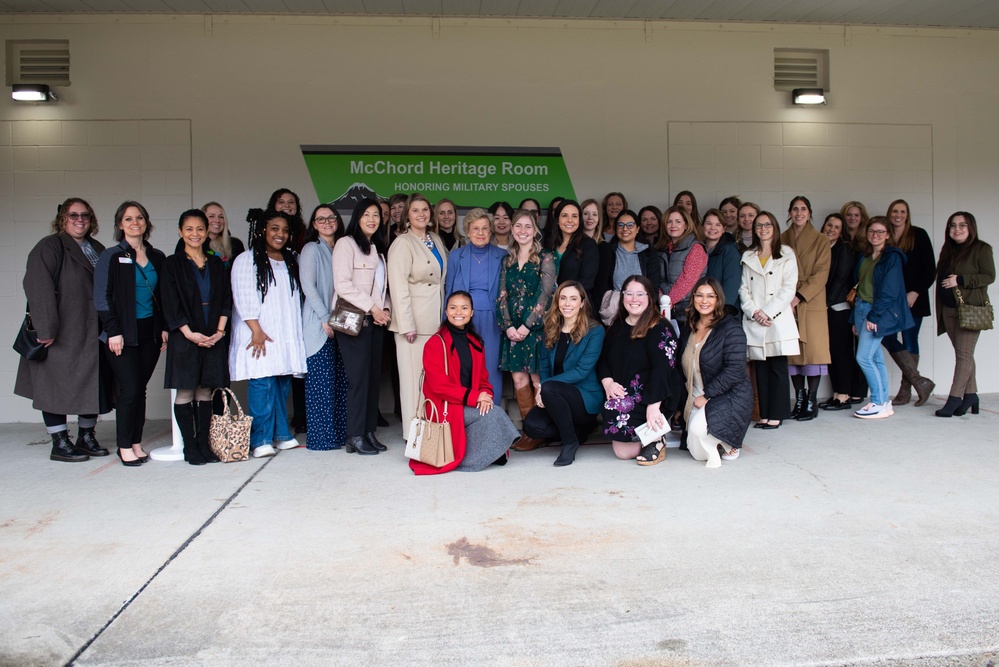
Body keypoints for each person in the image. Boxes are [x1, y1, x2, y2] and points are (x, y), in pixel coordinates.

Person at [15, 197, 113, 463]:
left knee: (92, 383)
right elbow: (37, 286)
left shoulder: (97, 248)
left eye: (85, 215)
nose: (79, 220)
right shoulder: (50, 246)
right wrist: (45, 329)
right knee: (54, 385)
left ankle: (86, 436)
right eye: (73, 215)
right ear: (62, 219)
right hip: (61, 329)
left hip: (93, 329)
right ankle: (59, 441)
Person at [410, 291, 521, 475]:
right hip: (446, 406)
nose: (458, 312)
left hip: (468, 403)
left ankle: (491, 452)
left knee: (490, 410)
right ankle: (474, 457)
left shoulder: (475, 342)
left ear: (471, 312)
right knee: (494, 414)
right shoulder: (435, 344)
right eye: (453, 308)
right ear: (446, 311)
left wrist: (485, 396)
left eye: (464, 308)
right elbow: (439, 387)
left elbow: (484, 379)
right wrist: (476, 397)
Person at [94, 201, 168, 466]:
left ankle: (136, 442)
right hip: (121, 333)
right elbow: (102, 298)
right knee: (130, 388)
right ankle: (124, 446)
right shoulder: (111, 256)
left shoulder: (157, 256)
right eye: (128, 219)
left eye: (139, 218)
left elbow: (162, 295)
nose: (134, 222)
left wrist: (163, 328)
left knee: (141, 390)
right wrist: (112, 331)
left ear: (146, 222)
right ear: (119, 224)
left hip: (150, 331)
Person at [229, 210, 307, 457]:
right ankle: (260, 438)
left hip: (285, 332)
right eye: (274, 228)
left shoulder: (292, 259)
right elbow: (242, 295)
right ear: (263, 230)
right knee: (262, 384)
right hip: (260, 333)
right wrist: (256, 329)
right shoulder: (247, 259)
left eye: (284, 230)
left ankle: (281, 434)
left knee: (282, 385)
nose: (280, 234)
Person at [161, 209, 231, 465]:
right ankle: (189, 447)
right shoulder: (172, 263)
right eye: (189, 229)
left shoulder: (216, 262)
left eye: (200, 229)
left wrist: (219, 333)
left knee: (205, 392)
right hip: (185, 336)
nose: (195, 234)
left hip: (213, 335)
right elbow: (170, 303)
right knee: (186, 391)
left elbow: (226, 300)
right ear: (180, 232)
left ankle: (204, 444)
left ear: (207, 232)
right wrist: (190, 334)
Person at [597, 275, 680, 465]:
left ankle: (658, 438)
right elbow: (603, 360)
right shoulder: (616, 327)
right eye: (629, 294)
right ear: (622, 297)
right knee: (623, 452)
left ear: (650, 297)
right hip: (623, 394)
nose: (634, 299)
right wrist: (608, 382)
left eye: (640, 294)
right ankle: (649, 436)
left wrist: (653, 406)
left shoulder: (660, 327)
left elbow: (663, 370)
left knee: (628, 451)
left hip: (655, 393)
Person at [521, 281, 605, 466]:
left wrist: (544, 387)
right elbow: (543, 364)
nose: (567, 304)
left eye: (573, 299)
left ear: (582, 303)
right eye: (563, 298)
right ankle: (579, 431)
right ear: (557, 301)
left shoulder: (595, 331)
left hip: (583, 396)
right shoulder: (551, 328)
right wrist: (545, 386)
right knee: (532, 426)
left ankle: (570, 442)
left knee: (551, 388)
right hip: (553, 393)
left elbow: (581, 371)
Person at [332, 199, 392, 455]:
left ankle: (368, 432)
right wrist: (373, 308)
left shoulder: (377, 249)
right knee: (358, 381)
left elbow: (381, 287)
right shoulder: (345, 244)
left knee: (372, 381)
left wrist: (385, 309)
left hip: (374, 324)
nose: (371, 219)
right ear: (357, 217)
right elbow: (343, 285)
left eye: (376, 215)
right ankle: (354, 436)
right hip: (353, 322)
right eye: (366, 214)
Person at [388, 193, 449, 436]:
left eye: (425, 209)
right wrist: (406, 324)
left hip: (435, 320)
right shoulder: (403, 242)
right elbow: (398, 285)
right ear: (407, 216)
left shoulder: (434, 238)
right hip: (413, 324)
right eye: (415, 210)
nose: (422, 214)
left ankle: (431, 431)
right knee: (414, 381)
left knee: (431, 381)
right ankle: (412, 434)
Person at [498, 209, 558, 451]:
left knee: (537, 378)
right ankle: (529, 432)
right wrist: (509, 326)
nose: (522, 231)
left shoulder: (546, 257)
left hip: (536, 327)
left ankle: (542, 430)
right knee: (518, 377)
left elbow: (546, 293)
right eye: (518, 226)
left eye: (527, 226)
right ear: (512, 230)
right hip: (513, 329)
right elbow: (502, 294)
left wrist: (525, 325)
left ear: (535, 231)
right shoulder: (507, 259)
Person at [679, 277, 752, 467]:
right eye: (700, 295)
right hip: (695, 394)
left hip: (728, 394)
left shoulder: (731, 328)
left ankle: (729, 444)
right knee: (695, 452)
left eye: (710, 296)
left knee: (697, 431)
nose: (704, 301)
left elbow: (735, 370)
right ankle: (717, 439)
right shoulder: (689, 326)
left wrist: (707, 395)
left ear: (718, 299)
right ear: (693, 298)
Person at [739, 210, 799, 429]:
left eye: (767, 225)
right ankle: (765, 414)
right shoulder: (748, 255)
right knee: (761, 369)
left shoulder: (786, 253)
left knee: (777, 368)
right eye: (759, 226)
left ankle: (778, 414)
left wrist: (767, 312)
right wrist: (754, 311)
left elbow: (788, 288)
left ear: (774, 227)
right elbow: (743, 288)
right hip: (756, 319)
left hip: (776, 319)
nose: (763, 229)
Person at [851, 217, 915, 420]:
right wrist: (855, 318)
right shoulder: (866, 255)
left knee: (863, 357)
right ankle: (884, 403)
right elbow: (859, 287)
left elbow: (889, 290)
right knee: (876, 357)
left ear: (888, 234)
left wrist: (875, 316)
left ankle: (877, 401)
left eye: (880, 232)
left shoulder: (892, 257)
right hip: (861, 308)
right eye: (871, 231)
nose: (875, 235)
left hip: (875, 311)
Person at [934, 212, 995, 417]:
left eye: (962, 225)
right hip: (949, 310)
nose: (957, 229)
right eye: (953, 225)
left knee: (963, 355)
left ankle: (954, 399)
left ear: (971, 228)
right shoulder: (948, 249)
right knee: (964, 355)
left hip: (969, 310)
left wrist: (960, 280)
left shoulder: (981, 249)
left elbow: (989, 276)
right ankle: (971, 395)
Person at [299, 204, 349, 451]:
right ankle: (321, 439)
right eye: (321, 219)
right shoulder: (311, 248)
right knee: (321, 384)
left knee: (340, 382)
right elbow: (308, 285)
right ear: (314, 224)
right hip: (319, 324)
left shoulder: (342, 247)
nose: (327, 222)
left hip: (341, 323)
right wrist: (325, 316)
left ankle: (339, 435)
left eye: (331, 218)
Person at [444, 208, 508, 399]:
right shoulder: (456, 256)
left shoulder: (502, 256)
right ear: (467, 231)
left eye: (485, 229)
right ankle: (466, 416)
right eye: (475, 229)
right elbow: (449, 290)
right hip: (461, 318)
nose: (480, 233)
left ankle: (492, 416)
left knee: (490, 367)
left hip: (492, 318)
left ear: (491, 231)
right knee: (463, 365)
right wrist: (445, 321)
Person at [780, 196, 831, 422]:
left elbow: (821, 273)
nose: (799, 213)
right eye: (795, 209)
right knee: (793, 353)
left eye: (803, 209)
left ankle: (812, 400)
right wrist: (787, 297)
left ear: (810, 212)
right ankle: (799, 399)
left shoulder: (821, 239)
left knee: (813, 352)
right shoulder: (781, 239)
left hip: (811, 301)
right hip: (787, 299)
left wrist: (798, 296)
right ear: (789, 212)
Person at [883, 199, 936, 406]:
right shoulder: (885, 237)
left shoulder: (919, 234)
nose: (898, 215)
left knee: (910, 340)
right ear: (890, 213)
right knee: (886, 336)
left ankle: (905, 391)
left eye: (902, 211)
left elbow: (930, 269)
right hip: (890, 301)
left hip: (914, 299)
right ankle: (919, 381)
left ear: (907, 214)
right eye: (894, 211)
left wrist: (915, 292)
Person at [266, 188, 308, 434]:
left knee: (300, 367)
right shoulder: (262, 239)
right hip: (275, 313)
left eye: (291, 202)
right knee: (278, 371)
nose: (286, 205)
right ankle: (279, 423)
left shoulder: (303, 235)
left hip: (299, 306)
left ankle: (301, 416)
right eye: (281, 202)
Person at [819, 213, 865, 411]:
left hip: (837, 308)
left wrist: (825, 302)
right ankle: (836, 393)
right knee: (831, 352)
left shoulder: (844, 249)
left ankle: (844, 395)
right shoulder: (821, 248)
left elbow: (840, 279)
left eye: (837, 227)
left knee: (842, 352)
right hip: (825, 308)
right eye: (829, 225)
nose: (832, 229)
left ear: (841, 231)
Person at [594, 209, 662, 325]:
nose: (625, 229)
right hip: (614, 315)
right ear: (616, 229)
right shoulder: (608, 252)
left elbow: (653, 287)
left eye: (630, 225)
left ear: (638, 229)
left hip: (643, 315)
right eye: (621, 225)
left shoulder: (649, 253)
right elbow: (601, 286)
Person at [657, 205, 707, 327]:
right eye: (669, 222)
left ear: (686, 225)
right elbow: (658, 277)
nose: (673, 225)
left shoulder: (695, 248)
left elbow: (687, 281)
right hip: (666, 308)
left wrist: (668, 301)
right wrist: (660, 296)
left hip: (687, 312)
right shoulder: (662, 248)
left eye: (678, 221)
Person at [548, 199, 600, 305]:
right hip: (551, 306)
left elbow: (586, 283)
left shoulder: (588, 245)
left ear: (579, 220)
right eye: (564, 215)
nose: (570, 220)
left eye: (574, 216)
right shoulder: (549, 244)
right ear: (557, 220)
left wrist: (564, 299)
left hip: (575, 306)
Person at [702, 208, 741, 308]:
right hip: (702, 308)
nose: (712, 228)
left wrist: (719, 312)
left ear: (723, 229)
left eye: (718, 225)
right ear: (703, 226)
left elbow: (731, 289)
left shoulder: (730, 252)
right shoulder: (698, 250)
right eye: (709, 223)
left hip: (722, 311)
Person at [202, 201, 245, 269]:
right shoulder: (195, 243)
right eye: (211, 216)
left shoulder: (235, 244)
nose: (217, 220)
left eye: (221, 217)